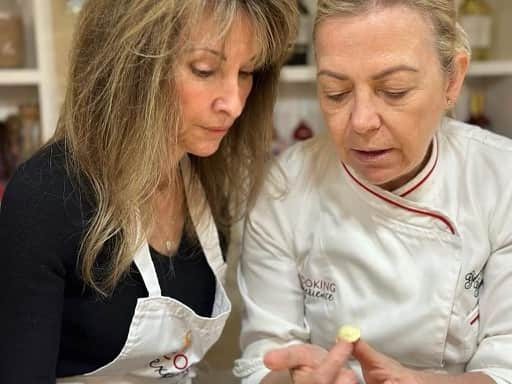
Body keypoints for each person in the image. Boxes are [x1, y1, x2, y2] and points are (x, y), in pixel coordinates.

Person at [0, 1, 297, 383]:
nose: (234, 103)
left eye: (246, 72)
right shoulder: (45, 199)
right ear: (129, 64)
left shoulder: (204, 182)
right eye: (204, 70)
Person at [234, 1, 512, 383]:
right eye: (335, 92)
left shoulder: (500, 177)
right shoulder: (287, 186)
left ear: (452, 81)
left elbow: (504, 368)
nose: (361, 121)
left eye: (394, 91)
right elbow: (262, 361)